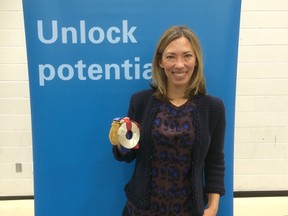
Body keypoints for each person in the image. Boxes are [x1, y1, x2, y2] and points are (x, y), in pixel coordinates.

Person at [111, 26, 226, 216]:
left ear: (196, 60)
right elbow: (126, 155)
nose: (179, 65)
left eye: (187, 56)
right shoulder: (140, 102)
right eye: (171, 57)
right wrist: (122, 141)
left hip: (189, 210)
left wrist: (212, 208)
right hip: (141, 210)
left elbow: (215, 161)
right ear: (160, 62)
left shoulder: (213, 108)